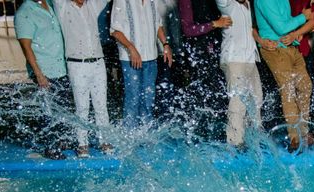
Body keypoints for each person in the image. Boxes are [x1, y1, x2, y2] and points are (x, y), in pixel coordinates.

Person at [254, 0, 314, 151]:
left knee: (305, 86)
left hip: (291, 46)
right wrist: (303, 17)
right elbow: (281, 28)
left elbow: (291, 22)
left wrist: (297, 33)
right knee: (288, 90)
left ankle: (303, 132)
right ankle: (295, 138)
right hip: (275, 50)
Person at [53, 0, 112, 157]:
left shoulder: (91, 5)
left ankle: (104, 140)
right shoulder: (63, 7)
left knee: (101, 106)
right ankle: (82, 144)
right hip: (77, 65)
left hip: (98, 62)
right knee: (82, 107)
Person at [15, 0, 70, 159]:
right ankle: (50, 147)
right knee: (48, 111)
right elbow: (26, 47)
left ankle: (59, 141)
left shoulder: (51, 5)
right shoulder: (24, 12)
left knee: (62, 108)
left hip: (61, 67)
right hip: (44, 70)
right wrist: (38, 74)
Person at [110, 0, 173, 128]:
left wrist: (165, 44)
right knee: (133, 99)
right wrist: (131, 48)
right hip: (130, 59)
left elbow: (158, 24)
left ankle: (146, 135)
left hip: (151, 58)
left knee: (148, 100)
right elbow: (114, 31)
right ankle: (130, 137)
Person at [178, 0, 232, 138]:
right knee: (203, 95)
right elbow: (188, 30)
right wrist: (214, 24)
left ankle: (219, 134)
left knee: (219, 94)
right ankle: (200, 135)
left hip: (216, 51)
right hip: (198, 54)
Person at [216, 0, 263, 147]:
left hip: (250, 58)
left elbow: (250, 28)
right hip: (234, 58)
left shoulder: (248, 4)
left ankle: (251, 137)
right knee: (238, 102)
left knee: (256, 99)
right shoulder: (226, 4)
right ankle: (235, 142)